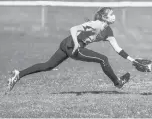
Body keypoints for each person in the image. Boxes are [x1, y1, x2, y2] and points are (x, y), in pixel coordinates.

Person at [7, 7, 137, 92]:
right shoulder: (96, 24)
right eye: (111, 14)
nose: (114, 16)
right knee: (103, 59)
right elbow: (73, 29)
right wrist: (76, 44)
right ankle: (117, 83)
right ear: (104, 17)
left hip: (67, 44)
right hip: (73, 46)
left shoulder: (108, 31)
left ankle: (18, 74)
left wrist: (133, 60)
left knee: (48, 66)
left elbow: (118, 49)